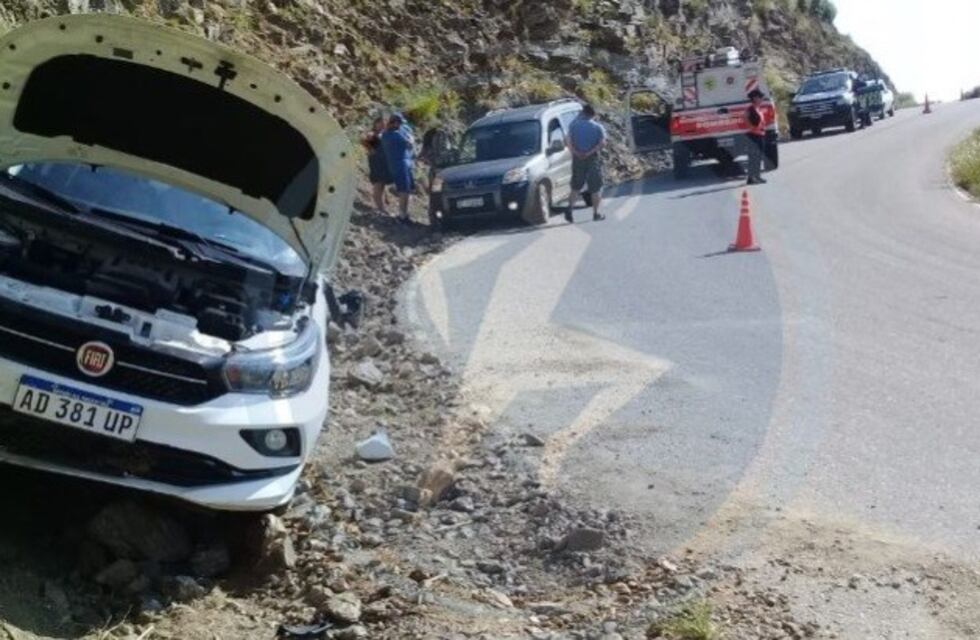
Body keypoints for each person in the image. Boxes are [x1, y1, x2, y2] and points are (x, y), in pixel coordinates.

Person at [565, 104, 606, 223]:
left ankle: (569, 208)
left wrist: (576, 152)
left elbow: (568, 141)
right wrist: (589, 153)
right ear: (594, 114)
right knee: (595, 188)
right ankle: (596, 213)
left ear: (583, 113)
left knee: (576, 186)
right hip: (592, 158)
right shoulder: (598, 127)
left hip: (577, 158)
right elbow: (602, 143)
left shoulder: (573, 126)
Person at [380, 113, 416, 223]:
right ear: (395, 123)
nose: (400, 126)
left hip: (399, 164)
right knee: (404, 191)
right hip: (400, 165)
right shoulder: (394, 135)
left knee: (406, 190)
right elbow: (410, 144)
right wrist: (410, 137)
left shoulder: (387, 134)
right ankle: (402, 216)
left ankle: (404, 213)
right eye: (399, 123)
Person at [361, 116, 392, 214]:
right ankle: (380, 208)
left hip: (383, 163)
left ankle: (382, 207)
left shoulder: (384, 134)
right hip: (376, 162)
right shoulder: (373, 134)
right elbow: (363, 140)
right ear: (376, 123)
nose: (383, 125)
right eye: (381, 123)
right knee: (378, 184)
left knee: (381, 184)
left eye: (384, 123)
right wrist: (371, 150)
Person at [419, 125, 451, 194]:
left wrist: (425, 158)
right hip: (442, 164)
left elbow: (423, 152)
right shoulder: (442, 134)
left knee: (433, 182)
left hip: (435, 164)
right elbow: (446, 149)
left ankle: (432, 193)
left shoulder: (429, 135)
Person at [745, 88, 768, 185]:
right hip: (754, 136)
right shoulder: (750, 109)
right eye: (760, 97)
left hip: (760, 135)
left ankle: (757, 176)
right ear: (755, 98)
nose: (762, 99)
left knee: (758, 157)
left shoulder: (758, 108)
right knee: (753, 157)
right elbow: (745, 117)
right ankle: (751, 178)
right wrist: (751, 127)